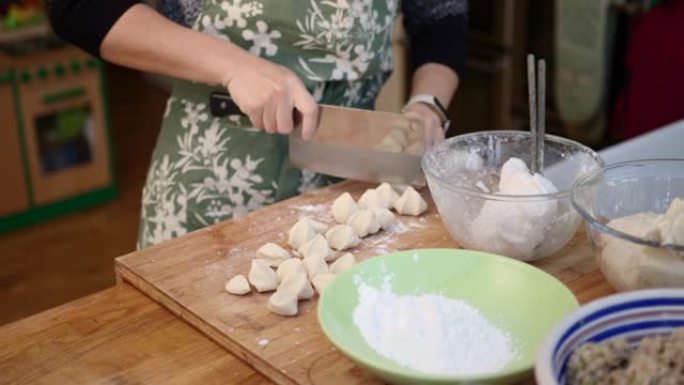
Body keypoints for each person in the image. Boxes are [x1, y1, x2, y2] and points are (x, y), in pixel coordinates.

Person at [48, 0, 468, 248]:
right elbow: (79, 8)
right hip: (209, 181)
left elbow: (439, 14)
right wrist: (234, 66)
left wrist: (427, 106)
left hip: (354, 178)